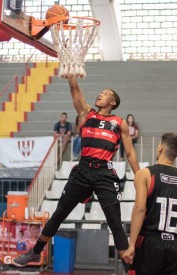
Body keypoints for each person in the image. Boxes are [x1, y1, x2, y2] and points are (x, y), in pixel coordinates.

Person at [12, 74, 140, 269]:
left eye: (105, 94)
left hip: (104, 173)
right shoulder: (86, 114)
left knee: (115, 222)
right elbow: (76, 93)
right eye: (100, 92)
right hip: (83, 169)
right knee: (59, 213)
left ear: (112, 102)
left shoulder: (119, 122)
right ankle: (34, 252)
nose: (100, 94)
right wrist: (72, 78)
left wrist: (138, 175)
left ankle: (130, 270)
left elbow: (130, 152)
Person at [123, 133, 177, 275]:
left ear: (160, 148)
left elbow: (140, 209)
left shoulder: (145, 174)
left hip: (150, 242)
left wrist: (131, 245)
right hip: (175, 244)